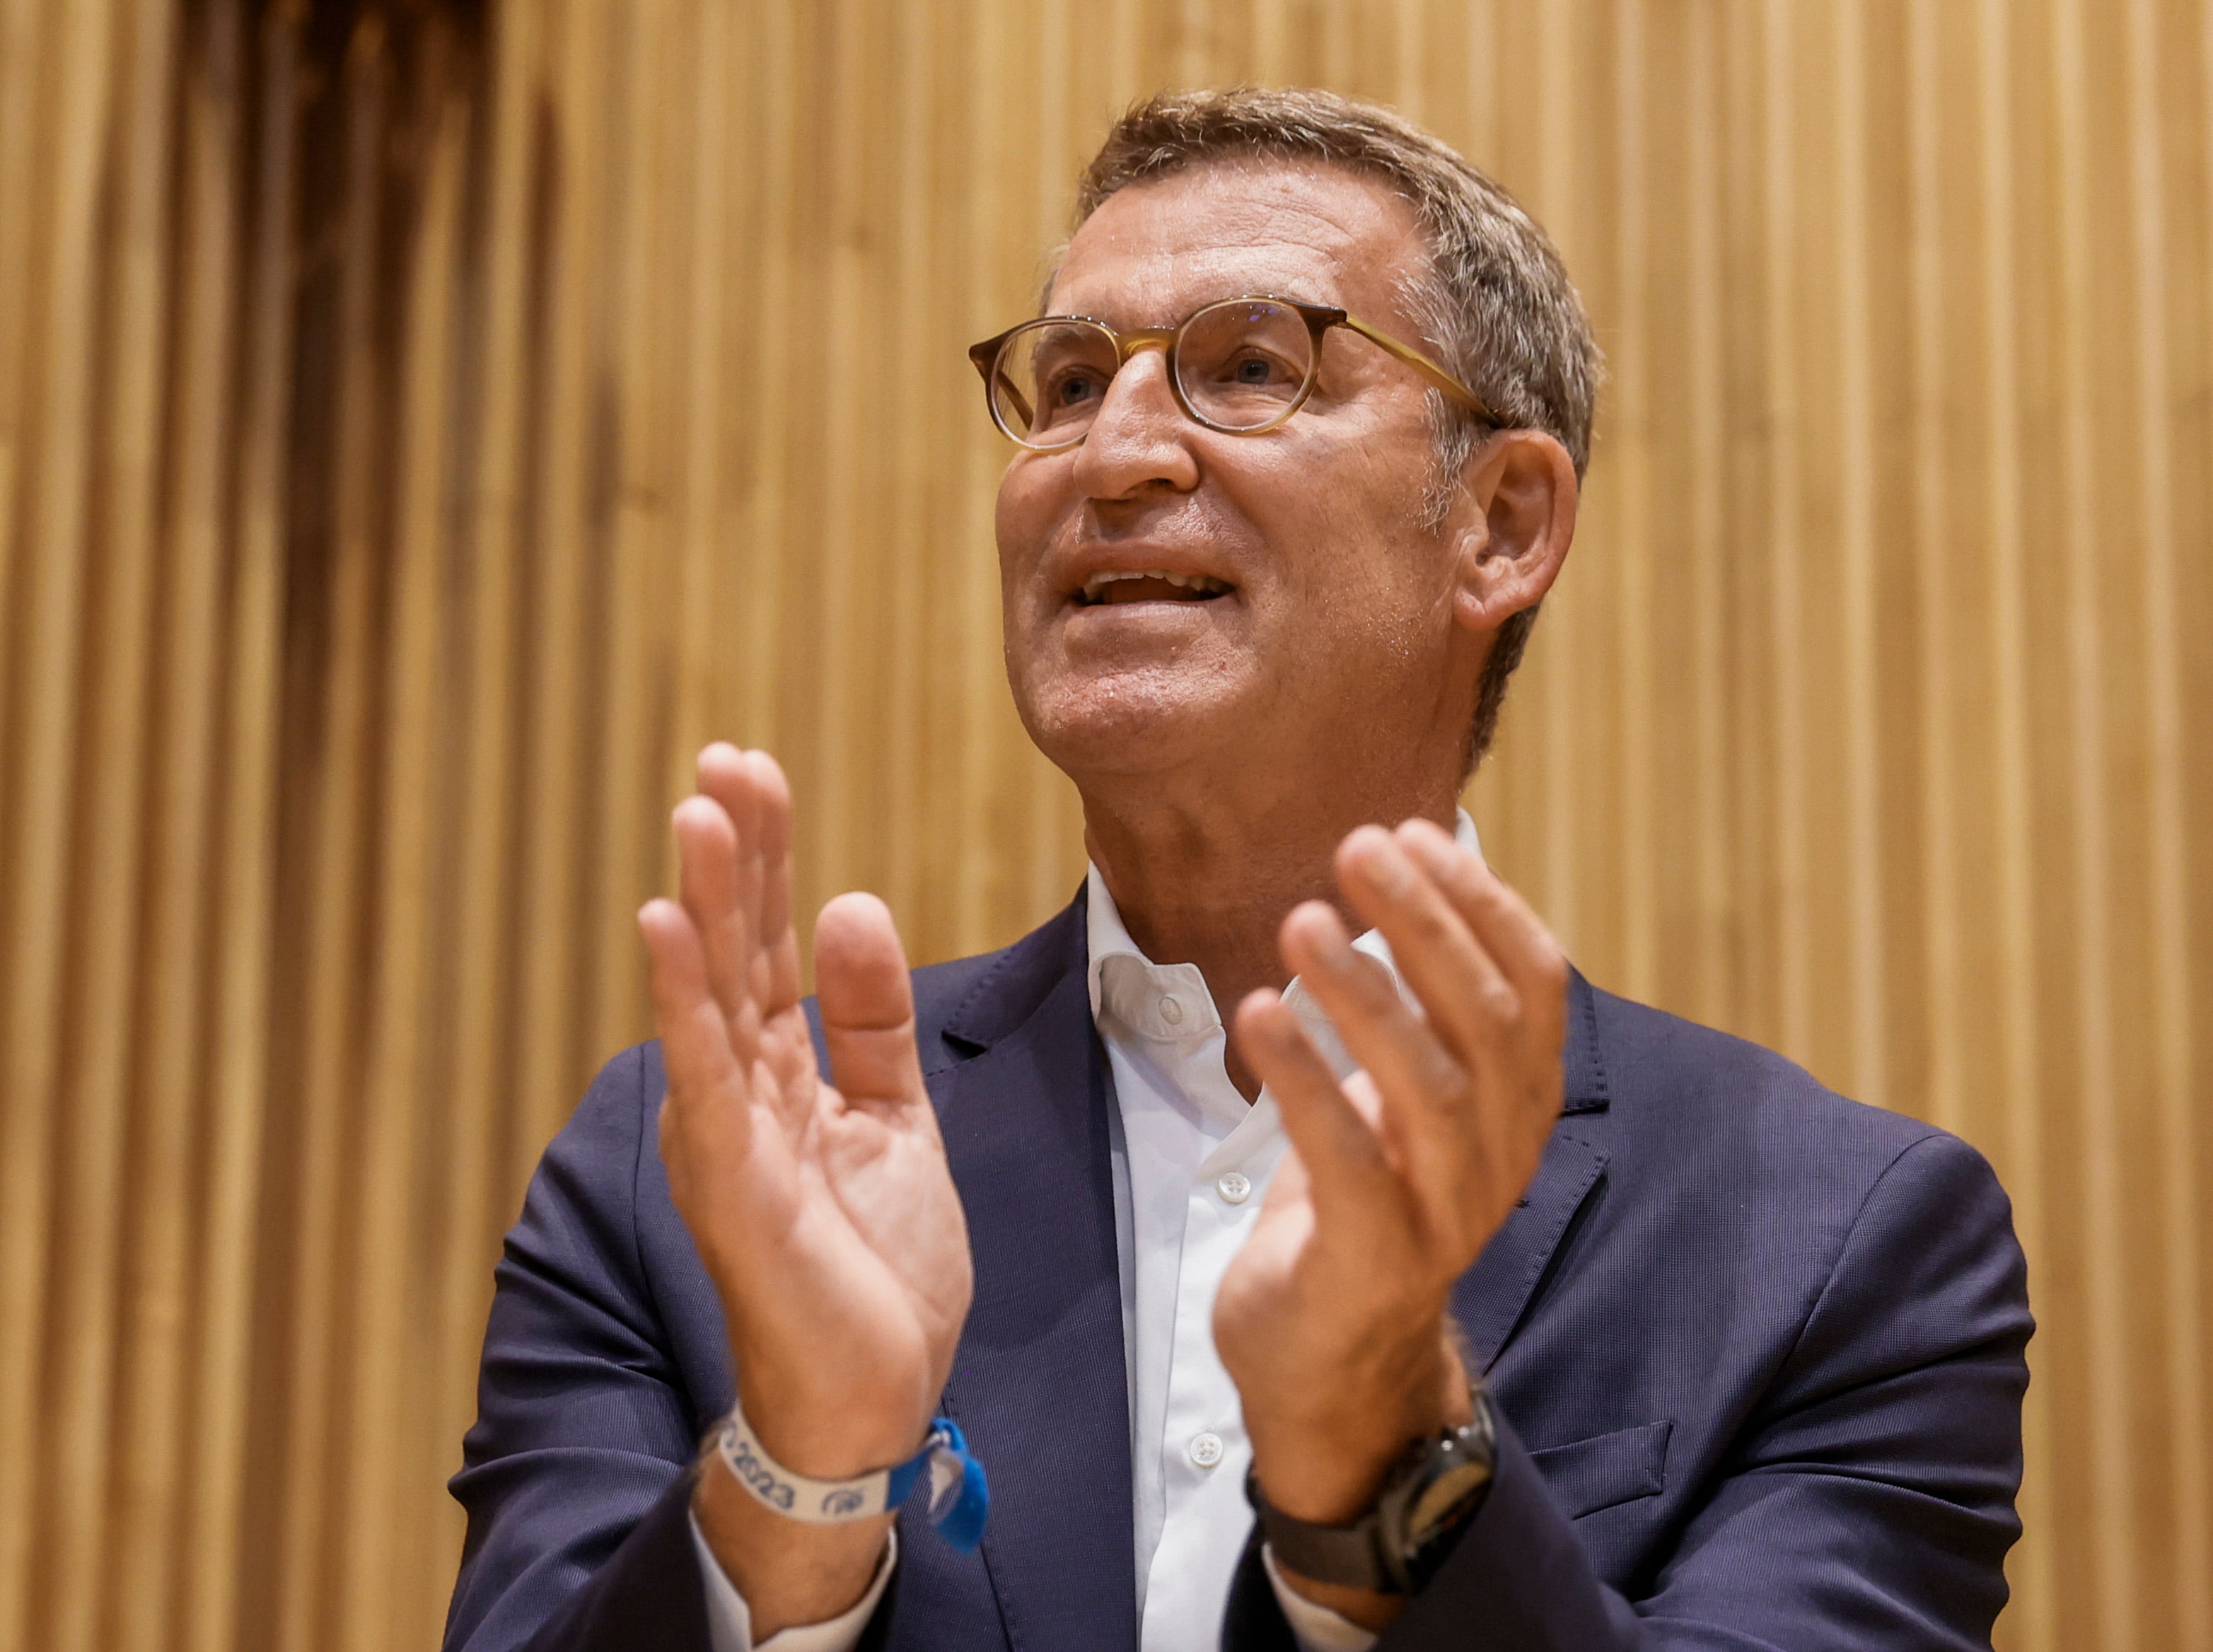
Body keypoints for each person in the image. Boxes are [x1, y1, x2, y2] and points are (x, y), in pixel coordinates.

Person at [442, 88, 2031, 1652]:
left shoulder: (1836, 1241)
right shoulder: (679, 1177)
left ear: (1500, 522)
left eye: (1251, 366)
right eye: (1067, 382)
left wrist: (1391, 1446)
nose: (1114, 453)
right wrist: (789, 1473)